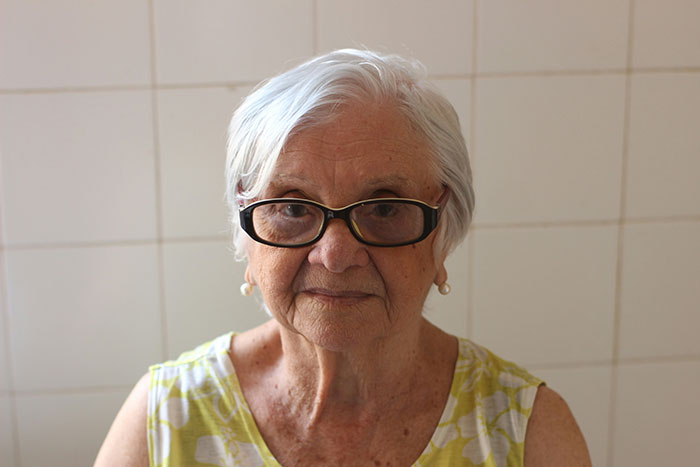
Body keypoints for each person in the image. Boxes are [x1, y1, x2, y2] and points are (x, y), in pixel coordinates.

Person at [96, 49, 591, 466]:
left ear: (444, 233)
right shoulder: (165, 421)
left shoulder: (524, 433)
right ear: (248, 236)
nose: (334, 255)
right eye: (292, 206)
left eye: (384, 208)